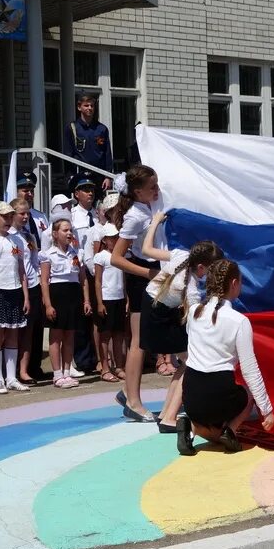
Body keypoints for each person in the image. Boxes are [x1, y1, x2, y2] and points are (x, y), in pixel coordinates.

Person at [138, 211, 225, 433]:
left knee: (185, 361)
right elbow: (196, 318)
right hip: (160, 317)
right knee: (190, 361)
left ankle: (168, 411)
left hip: (152, 307)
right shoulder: (191, 289)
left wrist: (156, 221)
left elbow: (146, 250)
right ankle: (168, 418)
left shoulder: (180, 255)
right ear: (202, 268)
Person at [178, 259, 274, 455]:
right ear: (233, 284)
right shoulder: (239, 321)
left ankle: (192, 428)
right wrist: (267, 410)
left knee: (208, 405)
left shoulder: (193, 313)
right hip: (220, 395)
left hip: (190, 395)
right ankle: (229, 430)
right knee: (246, 394)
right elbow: (250, 370)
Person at [109, 165, 162, 421]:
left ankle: (127, 390)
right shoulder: (135, 216)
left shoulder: (149, 206)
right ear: (138, 191)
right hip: (142, 276)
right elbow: (116, 258)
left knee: (147, 340)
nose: (157, 190)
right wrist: (146, 274)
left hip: (153, 271)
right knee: (138, 343)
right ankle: (133, 401)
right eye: (152, 187)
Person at [0, 199, 30, 394]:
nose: (8, 220)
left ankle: (11, 377)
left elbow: (21, 270)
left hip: (15, 290)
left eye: (11, 216)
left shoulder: (17, 240)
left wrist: (25, 296)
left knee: (13, 334)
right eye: (4, 216)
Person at [40, 218, 92, 389]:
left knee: (70, 335)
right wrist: (48, 305)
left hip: (73, 294)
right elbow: (45, 281)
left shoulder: (76, 253)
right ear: (55, 234)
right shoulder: (48, 255)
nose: (69, 233)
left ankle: (67, 371)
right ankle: (57, 374)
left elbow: (82, 278)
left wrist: (86, 300)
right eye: (64, 230)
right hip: (57, 295)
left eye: (70, 230)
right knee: (56, 336)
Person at [15, 171, 48, 379]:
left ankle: (34, 366)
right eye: (24, 190)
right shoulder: (13, 225)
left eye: (31, 190)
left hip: (37, 277)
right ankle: (18, 369)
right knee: (19, 328)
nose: (29, 193)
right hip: (19, 281)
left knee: (36, 327)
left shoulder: (40, 216)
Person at [70, 170, 100, 375]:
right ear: (76, 193)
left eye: (92, 189)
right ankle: (83, 359)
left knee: (97, 315)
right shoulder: (72, 217)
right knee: (82, 316)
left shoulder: (98, 216)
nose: (90, 193)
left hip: (97, 270)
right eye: (85, 189)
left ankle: (98, 358)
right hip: (80, 269)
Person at [8, 198, 41, 385]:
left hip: (32, 284)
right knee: (13, 330)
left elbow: (34, 261)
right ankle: (10, 369)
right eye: (22, 213)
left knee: (28, 330)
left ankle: (24, 370)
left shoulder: (29, 236)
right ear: (12, 214)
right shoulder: (8, 236)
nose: (26, 217)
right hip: (14, 286)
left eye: (27, 213)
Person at [93, 222, 127, 383]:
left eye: (116, 237)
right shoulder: (100, 256)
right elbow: (98, 281)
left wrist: (127, 298)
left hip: (119, 298)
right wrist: (99, 302)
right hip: (107, 299)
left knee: (119, 334)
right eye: (112, 237)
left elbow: (123, 279)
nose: (115, 240)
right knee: (105, 335)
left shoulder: (120, 256)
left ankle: (119, 366)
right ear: (105, 240)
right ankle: (105, 368)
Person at [63, 94, 113, 192]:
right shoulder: (72, 128)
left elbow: (107, 154)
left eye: (92, 106)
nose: (89, 108)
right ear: (79, 107)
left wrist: (108, 176)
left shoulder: (101, 129)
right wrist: (70, 176)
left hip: (99, 176)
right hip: (80, 175)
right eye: (86, 105)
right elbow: (68, 154)